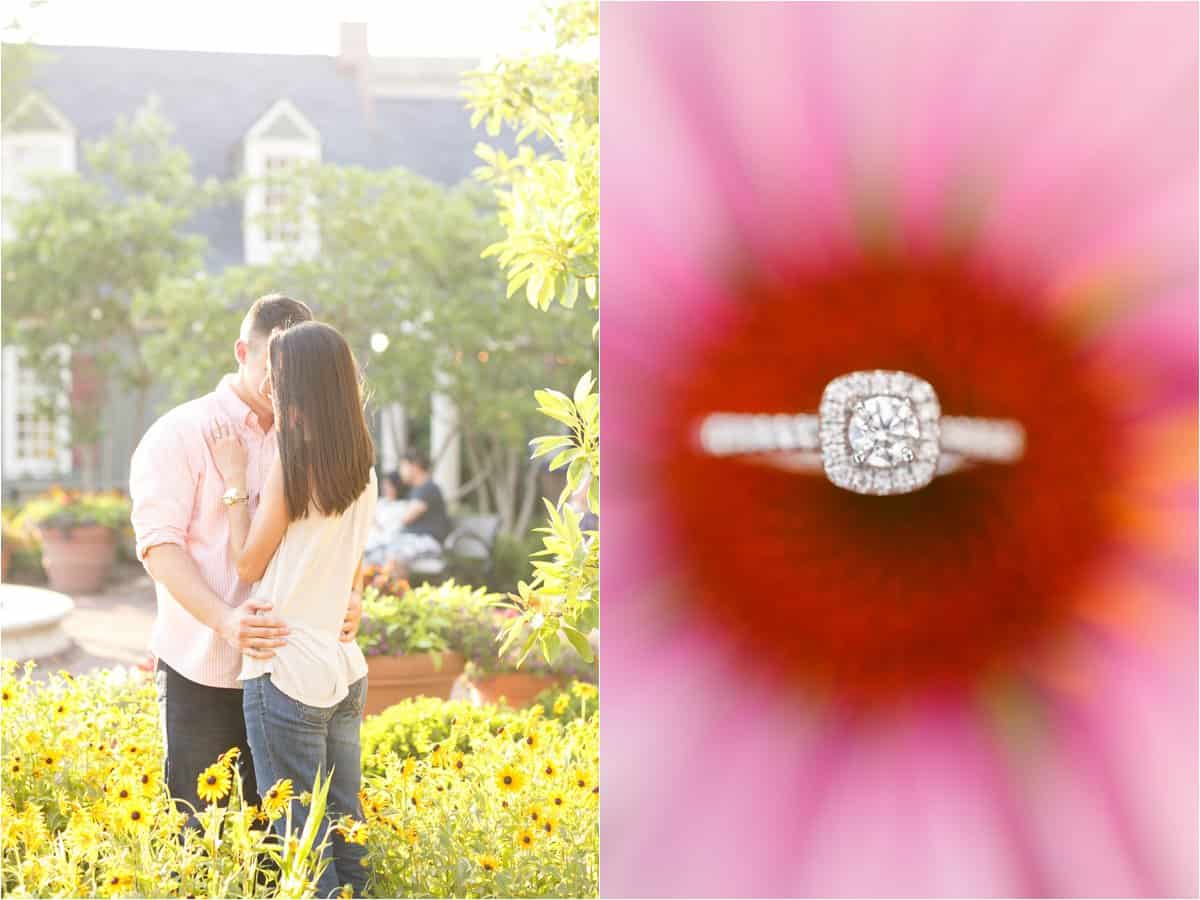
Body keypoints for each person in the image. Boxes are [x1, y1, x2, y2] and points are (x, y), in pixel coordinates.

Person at [129, 295, 363, 836]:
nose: (282, 389)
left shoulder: (314, 433)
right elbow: (159, 547)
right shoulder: (179, 433)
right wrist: (226, 621)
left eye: (292, 375)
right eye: (270, 372)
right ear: (242, 352)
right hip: (204, 671)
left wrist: (352, 595)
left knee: (289, 844)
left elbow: (344, 527)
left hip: (292, 679)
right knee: (205, 840)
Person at [207, 320, 376, 899]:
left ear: (296, 385)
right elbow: (349, 557)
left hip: (286, 672)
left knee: (301, 845)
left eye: (278, 379)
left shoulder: (292, 457)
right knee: (348, 832)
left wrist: (233, 483)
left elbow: (248, 564)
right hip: (343, 667)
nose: (271, 389)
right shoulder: (363, 465)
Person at [365, 449, 450, 568]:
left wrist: (380, 524)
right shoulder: (415, 491)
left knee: (394, 556)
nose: (401, 471)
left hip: (427, 541)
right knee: (373, 555)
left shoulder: (429, 488)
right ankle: (376, 586)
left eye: (403, 466)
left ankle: (395, 587)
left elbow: (405, 518)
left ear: (414, 466)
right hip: (410, 539)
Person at [364, 471, 408, 561]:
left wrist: (375, 523)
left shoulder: (402, 506)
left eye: (389, 485)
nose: (385, 488)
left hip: (383, 543)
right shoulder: (381, 502)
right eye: (385, 485)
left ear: (397, 486)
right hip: (370, 538)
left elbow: (391, 531)